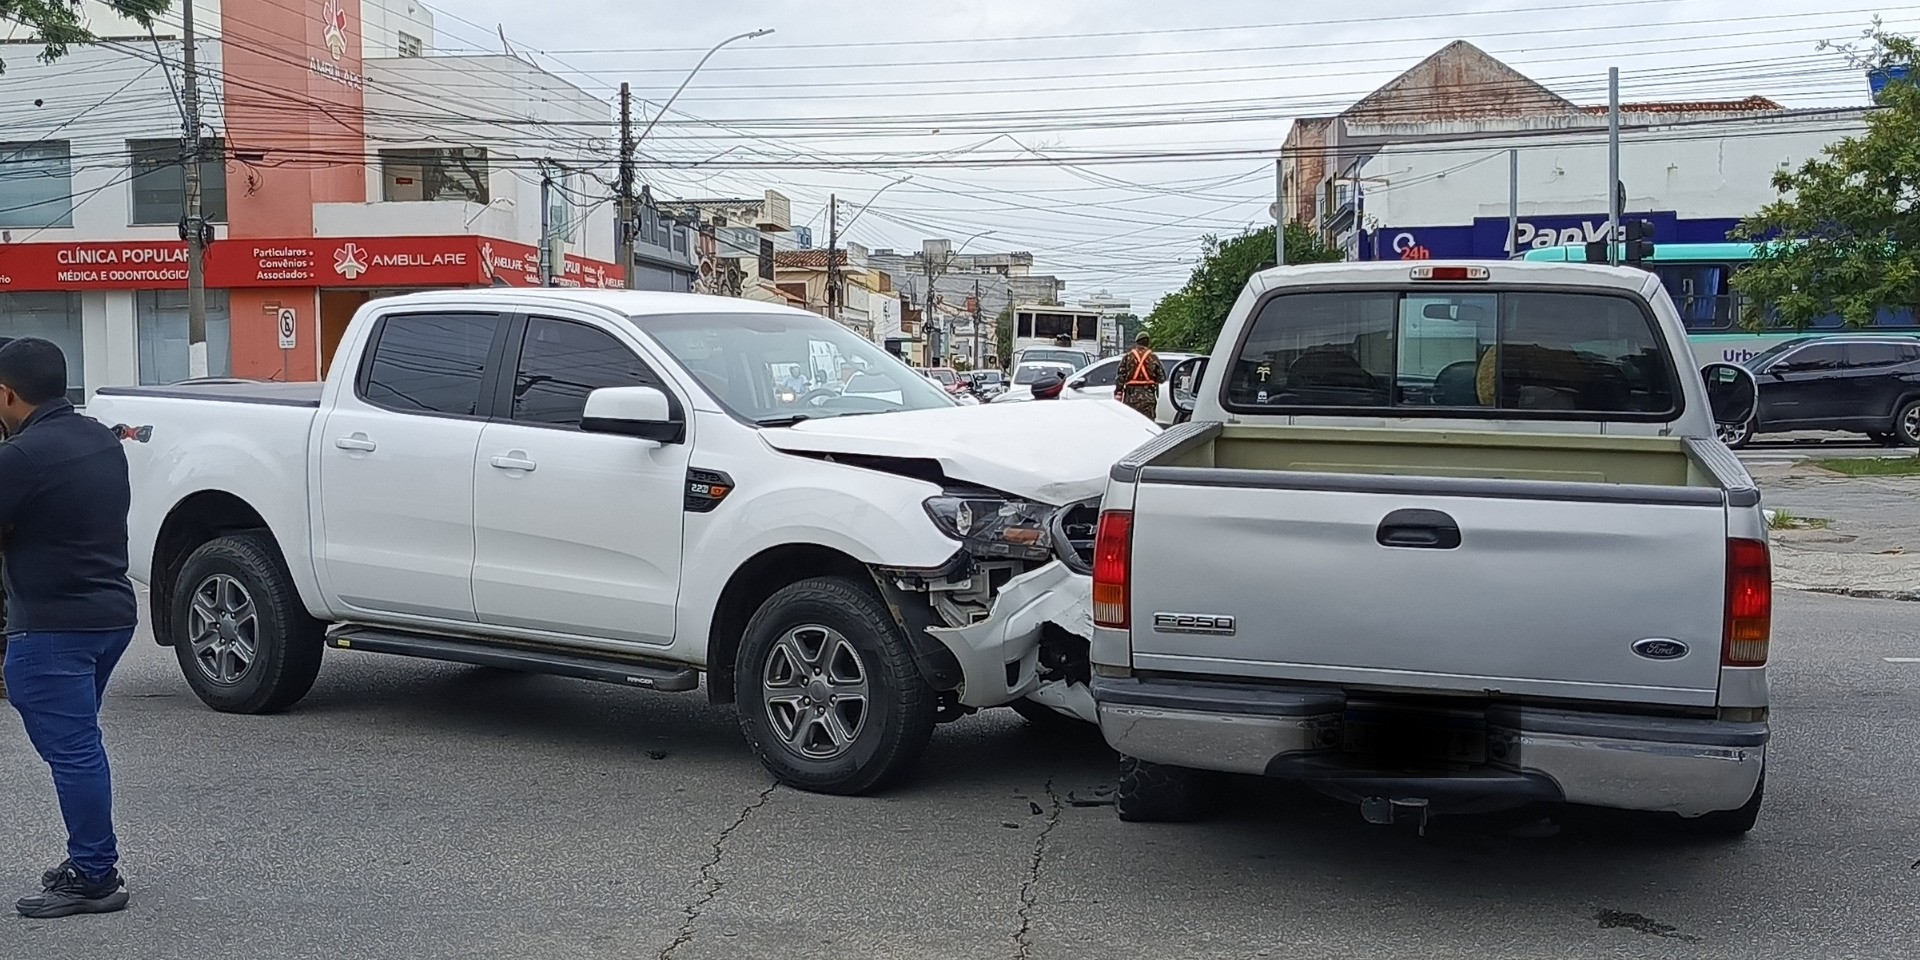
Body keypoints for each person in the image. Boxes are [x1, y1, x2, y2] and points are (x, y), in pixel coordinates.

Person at [0, 338, 138, 918]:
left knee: (74, 752)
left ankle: (95, 874)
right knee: (79, 745)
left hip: (51, 629)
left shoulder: (22, 457)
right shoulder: (100, 440)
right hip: (110, 618)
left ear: (7, 394)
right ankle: (90, 861)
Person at [1114, 332, 1166, 420]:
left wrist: (1118, 391)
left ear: (1136, 342)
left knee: (1132, 424)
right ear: (1148, 342)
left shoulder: (1128, 357)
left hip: (1131, 397)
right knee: (1148, 425)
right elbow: (1162, 378)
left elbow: (1120, 377)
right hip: (1148, 398)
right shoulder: (1153, 357)